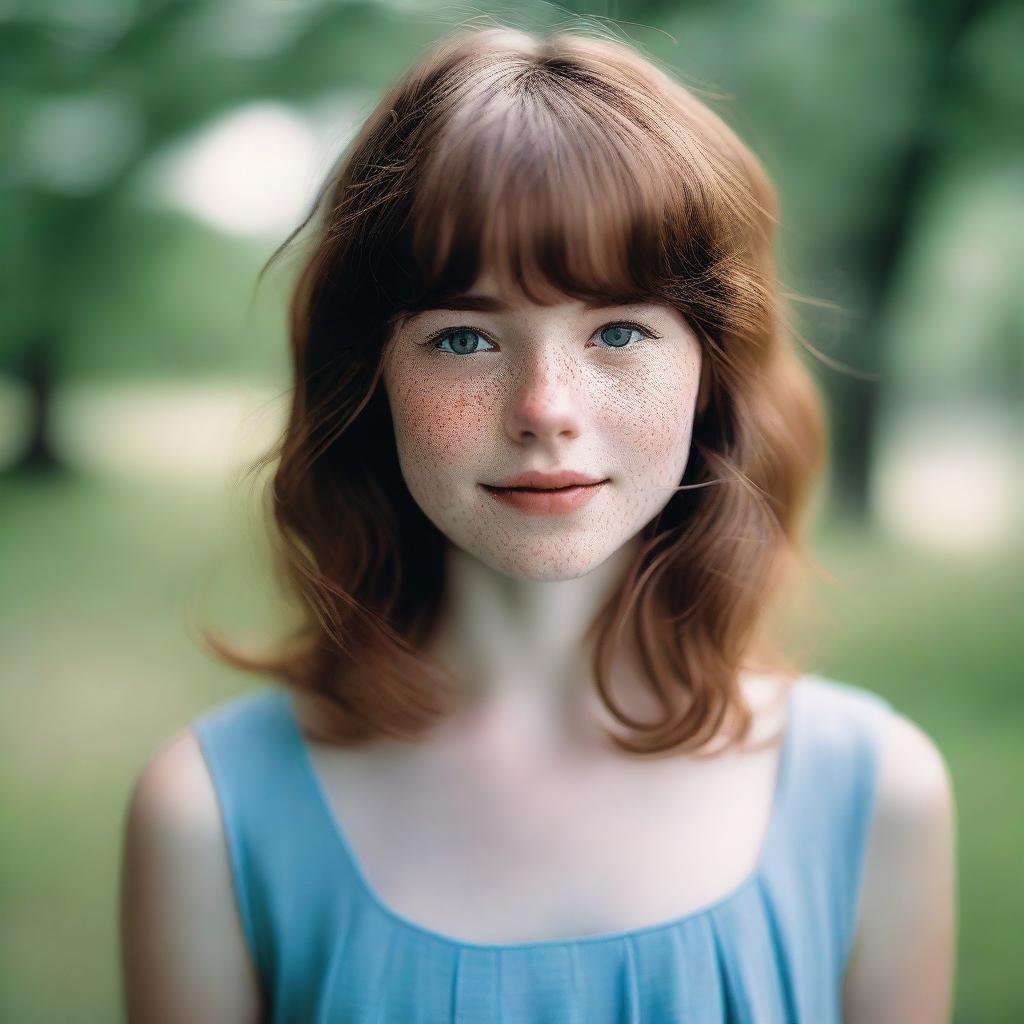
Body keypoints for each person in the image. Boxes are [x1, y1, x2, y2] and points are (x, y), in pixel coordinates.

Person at [118, 22, 957, 1023]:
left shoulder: (873, 793)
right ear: (369, 378)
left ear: (710, 372)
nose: (544, 405)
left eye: (617, 329)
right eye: (464, 336)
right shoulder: (209, 815)